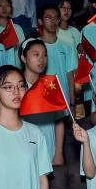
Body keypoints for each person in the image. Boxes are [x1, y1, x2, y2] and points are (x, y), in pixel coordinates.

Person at [19, 38, 66, 166]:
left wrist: (58, 153)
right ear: (23, 58)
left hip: (49, 152)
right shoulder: (17, 88)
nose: (41, 59)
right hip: (25, 154)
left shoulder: (50, 85)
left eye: (44, 55)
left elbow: (59, 121)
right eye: (36, 54)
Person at [37, 4, 77, 110]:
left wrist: (72, 104)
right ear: (40, 21)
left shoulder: (67, 46)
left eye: (56, 18)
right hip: (43, 101)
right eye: (48, 18)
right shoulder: (33, 46)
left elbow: (70, 77)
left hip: (63, 102)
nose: (53, 21)